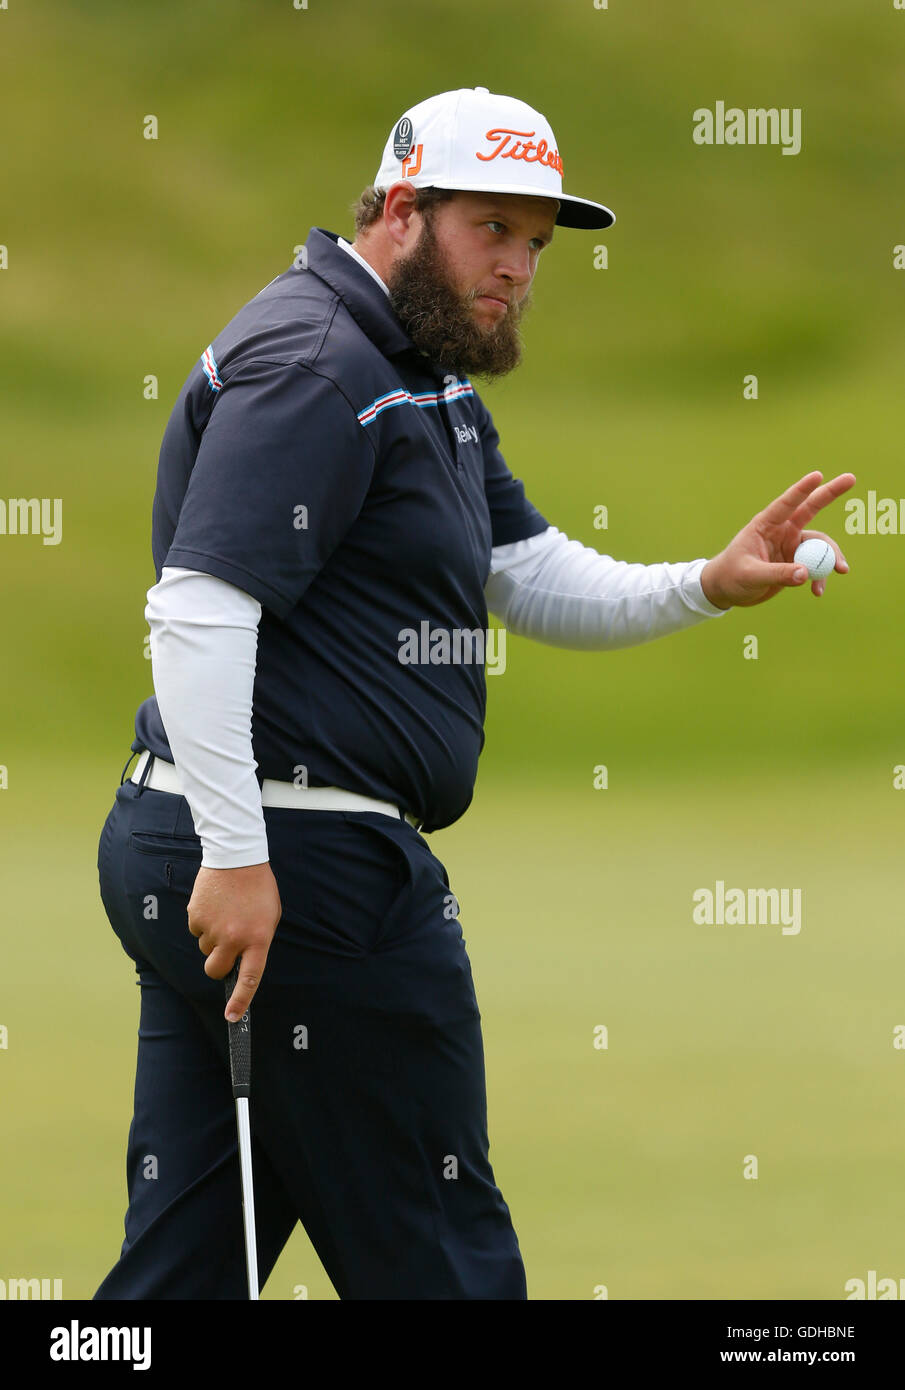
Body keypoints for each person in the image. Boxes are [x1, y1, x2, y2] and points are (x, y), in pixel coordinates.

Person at [93, 86, 853, 1300]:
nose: (516, 269)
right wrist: (237, 858)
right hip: (302, 871)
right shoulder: (317, 363)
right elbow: (198, 607)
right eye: (490, 230)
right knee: (442, 1263)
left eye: (534, 245)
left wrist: (704, 583)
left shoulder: (416, 374)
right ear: (404, 208)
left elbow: (523, 567)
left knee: (189, 1265)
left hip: (230, 848)